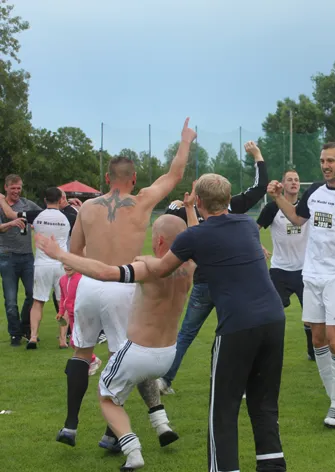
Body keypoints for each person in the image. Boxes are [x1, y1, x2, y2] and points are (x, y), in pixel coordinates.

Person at [54, 117, 197, 448]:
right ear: (133, 178)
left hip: (90, 285)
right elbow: (175, 174)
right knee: (122, 357)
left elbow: (74, 253)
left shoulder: (87, 208)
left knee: (81, 352)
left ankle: (70, 425)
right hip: (123, 283)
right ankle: (113, 434)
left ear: (106, 178)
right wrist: (185, 140)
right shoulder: (142, 200)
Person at [137, 173, 287, 472]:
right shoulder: (246, 225)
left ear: (199, 201)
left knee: (223, 409)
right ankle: (273, 466)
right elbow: (206, 234)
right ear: (229, 200)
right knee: (264, 405)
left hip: (237, 326)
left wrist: (140, 260)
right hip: (273, 319)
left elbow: (163, 268)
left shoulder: (194, 236)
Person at [36, 203, 198, 471]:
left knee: (106, 397)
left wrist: (61, 254)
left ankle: (132, 450)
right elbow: (196, 235)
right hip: (169, 354)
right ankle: (160, 423)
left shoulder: (147, 269)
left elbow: (103, 272)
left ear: (158, 240)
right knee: (129, 380)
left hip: (139, 351)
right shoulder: (190, 266)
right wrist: (190, 208)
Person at [267, 142, 335, 428]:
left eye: (331, 161)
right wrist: (278, 198)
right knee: (317, 340)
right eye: (322, 161)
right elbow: (297, 218)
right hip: (312, 274)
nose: (325, 166)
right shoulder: (314, 191)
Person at [157, 141, 268, 394]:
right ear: (226, 196)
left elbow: (165, 230)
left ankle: (164, 380)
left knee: (187, 332)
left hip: (205, 281)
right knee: (235, 333)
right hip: (232, 283)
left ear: (198, 196)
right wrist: (257, 155)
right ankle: (238, 385)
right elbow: (260, 187)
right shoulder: (234, 209)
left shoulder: (183, 209)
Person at [257, 168, 314, 360]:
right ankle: (267, 353)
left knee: (311, 316)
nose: (294, 182)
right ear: (283, 184)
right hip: (279, 270)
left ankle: (313, 352)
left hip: (305, 270)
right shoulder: (272, 208)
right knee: (272, 313)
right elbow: (252, 230)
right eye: (289, 179)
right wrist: (259, 246)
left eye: (296, 179)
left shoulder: (307, 207)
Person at [13, 187, 75, 349]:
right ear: (61, 200)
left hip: (42, 264)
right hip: (61, 264)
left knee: (38, 301)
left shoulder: (36, 215)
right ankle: (62, 340)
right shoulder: (69, 217)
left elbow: (13, 215)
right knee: (63, 302)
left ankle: (33, 337)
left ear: (45, 200)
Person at [0, 174, 42, 346]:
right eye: (13, 188)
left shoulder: (27, 204)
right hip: (7, 256)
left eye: (19, 188)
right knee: (10, 299)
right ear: (6, 188)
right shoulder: (1, 205)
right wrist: (11, 223)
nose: (16, 191)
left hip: (27, 256)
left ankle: (26, 327)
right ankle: (15, 334)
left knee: (32, 294)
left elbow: (43, 214)